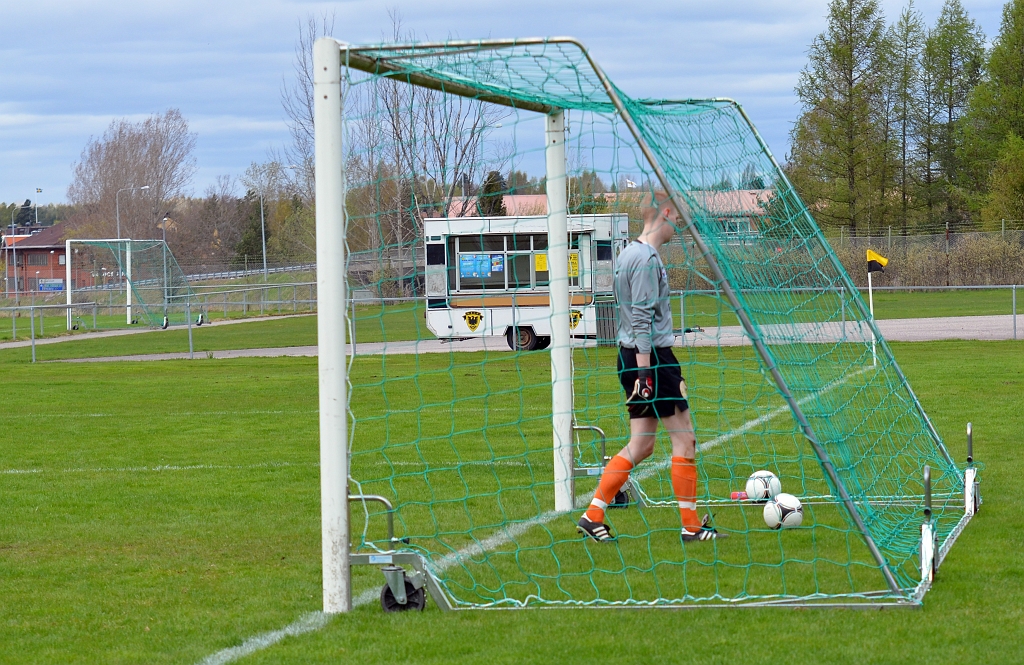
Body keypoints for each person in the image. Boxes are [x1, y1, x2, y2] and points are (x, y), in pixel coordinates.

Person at [576, 192, 726, 543]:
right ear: (667, 213)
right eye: (679, 220)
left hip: (631, 356)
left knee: (641, 444)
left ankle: (592, 515)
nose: (680, 228)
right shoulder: (645, 258)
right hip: (652, 360)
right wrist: (645, 373)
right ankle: (691, 527)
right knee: (684, 439)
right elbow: (642, 318)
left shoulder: (629, 252)